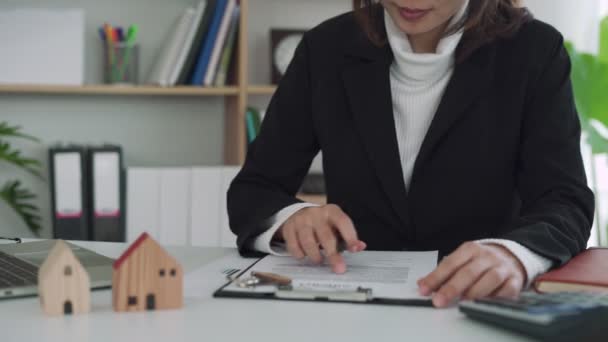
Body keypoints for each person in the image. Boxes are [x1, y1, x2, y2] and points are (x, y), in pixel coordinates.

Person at [227, 0, 595, 308]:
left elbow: (565, 200)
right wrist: (293, 217)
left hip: (476, 304)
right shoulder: (325, 48)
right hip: (352, 305)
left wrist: (514, 254)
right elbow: (254, 188)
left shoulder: (534, 50)